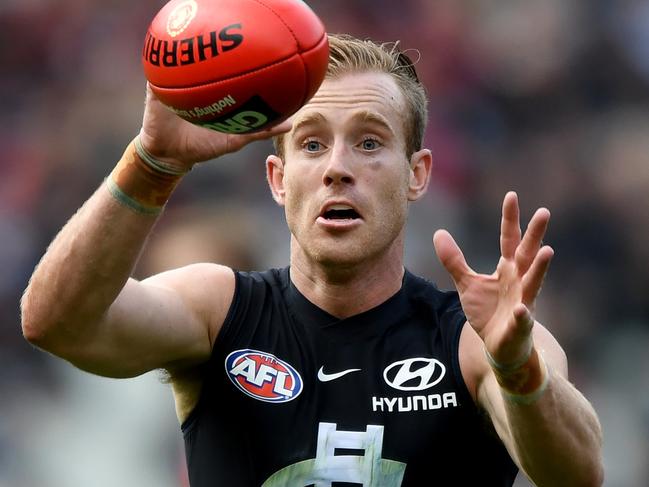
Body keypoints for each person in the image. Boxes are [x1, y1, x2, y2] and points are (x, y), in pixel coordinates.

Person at [21, 34, 603, 486]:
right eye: (312, 143)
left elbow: (577, 474)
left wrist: (518, 369)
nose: (337, 168)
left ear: (417, 174)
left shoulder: (477, 340)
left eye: (370, 142)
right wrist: (152, 162)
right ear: (278, 179)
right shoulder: (218, 310)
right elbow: (54, 323)